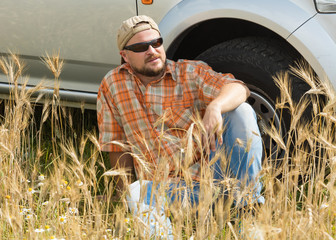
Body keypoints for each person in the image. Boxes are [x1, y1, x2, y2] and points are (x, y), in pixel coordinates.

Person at [97, 15, 264, 238]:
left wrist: (215, 106)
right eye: (140, 47)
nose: (152, 51)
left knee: (241, 110)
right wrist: (121, 193)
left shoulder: (189, 72)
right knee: (136, 192)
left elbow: (238, 88)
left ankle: (248, 209)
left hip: (214, 181)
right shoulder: (113, 85)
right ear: (124, 56)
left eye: (156, 43)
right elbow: (116, 144)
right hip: (166, 191)